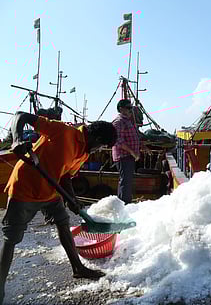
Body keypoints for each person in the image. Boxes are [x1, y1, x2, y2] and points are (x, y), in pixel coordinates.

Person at [0, 111, 117, 304]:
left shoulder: (83, 152)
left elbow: (65, 177)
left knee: (63, 223)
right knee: (11, 238)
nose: (98, 150)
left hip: (51, 192)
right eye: (101, 145)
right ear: (96, 138)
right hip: (25, 189)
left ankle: (78, 269)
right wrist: (16, 141)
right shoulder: (63, 131)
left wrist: (72, 199)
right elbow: (21, 116)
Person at [112, 99, 140, 204]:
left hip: (129, 156)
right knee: (125, 182)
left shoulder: (127, 121)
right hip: (123, 156)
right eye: (128, 108)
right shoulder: (119, 122)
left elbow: (134, 137)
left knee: (126, 181)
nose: (130, 110)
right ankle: (125, 205)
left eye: (131, 107)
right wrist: (132, 152)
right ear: (121, 109)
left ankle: (122, 204)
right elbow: (118, 140)